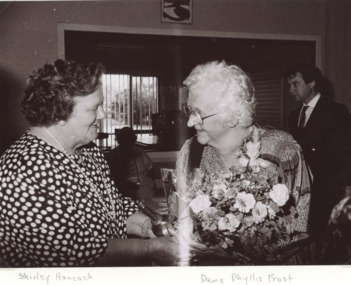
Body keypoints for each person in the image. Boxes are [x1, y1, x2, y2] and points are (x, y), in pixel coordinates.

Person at [0, 59, 180, 267]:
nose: (103, 114)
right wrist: (152, 248)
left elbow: (115, 208)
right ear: (59, 113)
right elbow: (75, 253)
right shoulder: (23, 171)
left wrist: (147, 225)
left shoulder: (88, 151)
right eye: (94, 108)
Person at [176, 60, 311, 265]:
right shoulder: (190, 152)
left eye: (198, 114)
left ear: (232, 117)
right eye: (189, 111)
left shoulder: (281, 150)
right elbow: (180, 216)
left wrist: (231, 253)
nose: (190, 122)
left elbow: (297, 230)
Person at [285, 62, 351, 244]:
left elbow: (345, 154)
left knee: (325, 241)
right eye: (289, 84)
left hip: (327, 191)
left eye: (296, 84)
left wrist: (346, 188)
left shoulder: (336, 111)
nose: (291, 89)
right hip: (301, 190)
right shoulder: (294, 115)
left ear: (312, 83)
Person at [106, 127, 156, 201]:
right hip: (127, 190)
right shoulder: (113, 155)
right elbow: (151, 170)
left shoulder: (139, 152)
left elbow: (151, 170)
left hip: (140, 190)